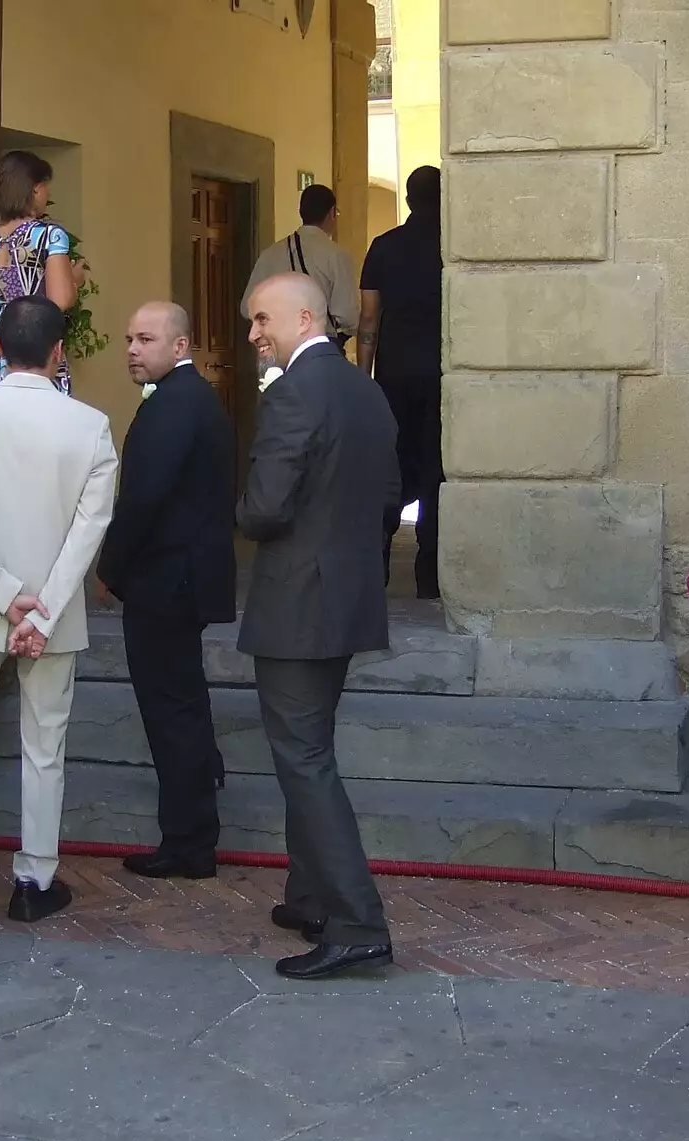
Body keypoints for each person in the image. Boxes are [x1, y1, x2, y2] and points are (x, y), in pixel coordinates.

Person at [0, 295, 117, 923]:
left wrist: (4, 595)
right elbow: (89, 531)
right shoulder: (89, 425)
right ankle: (35, 881)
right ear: (59, 351)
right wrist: (41, 611)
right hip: (52, 614)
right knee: (45, 743)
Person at [238, 272, 398, 981]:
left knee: (304, 759)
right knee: (312, 749)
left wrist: (243, 511)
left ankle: (357, 921)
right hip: (347, 596)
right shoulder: (364, 387)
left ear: (305, 317)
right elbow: (392, 495)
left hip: (299, 603)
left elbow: (265, 506)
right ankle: (309, 895)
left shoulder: (295, 392)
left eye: (261, 319)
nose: (253, 334)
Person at [96, 303, 236, 880]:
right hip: (181, 577)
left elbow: (142, 500)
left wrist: (110, 569)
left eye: (146, 339)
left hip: (166, 582)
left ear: (180, 347)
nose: (132, 348)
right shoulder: (190, 399)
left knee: (169, 709)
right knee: (182, 701)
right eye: (129, 338)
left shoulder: (174, 407)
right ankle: (194, 819)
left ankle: (187, 841)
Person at [358, 165, 444, 600]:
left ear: (408, 201)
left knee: (388, 468)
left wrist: (364, 377)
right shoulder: (455, 248)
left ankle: (378, 565)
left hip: (392, 376)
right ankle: (429, 576)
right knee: (436, 472)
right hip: (443, 376)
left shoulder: (384, 247)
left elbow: (369, 317)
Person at [0, 150, 81, 394]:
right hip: (35, 350)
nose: (48, 194)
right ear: (35, 190)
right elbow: (59, 301)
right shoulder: (50, 236)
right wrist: (74, 280)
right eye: (46, 187)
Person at [241, 184, 359, 349]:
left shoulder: (270, 254)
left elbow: (247, 307)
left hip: (276, 348)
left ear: (300, 212)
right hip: (319, 348)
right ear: (332, 213)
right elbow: (349, 316)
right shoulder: (337, 256)